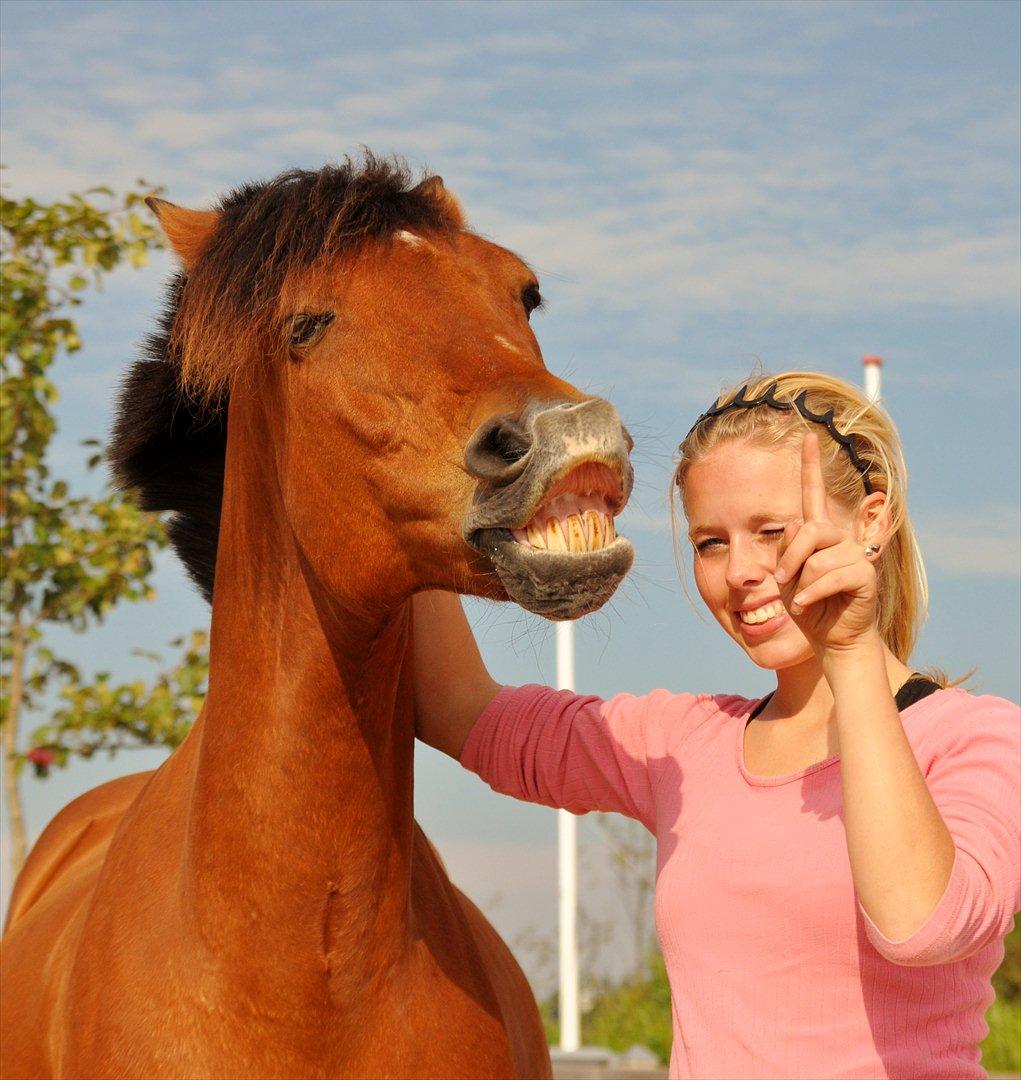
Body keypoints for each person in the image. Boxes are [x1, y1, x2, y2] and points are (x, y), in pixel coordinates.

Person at [412, 371, 1020, 1080]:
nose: (741, 572)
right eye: (710, 544)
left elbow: (923, 925)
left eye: (771, 532)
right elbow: (458, 709)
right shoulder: (682, 744)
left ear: (871, 522)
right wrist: (404, 499)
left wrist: (850, 652)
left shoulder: (977, 739)